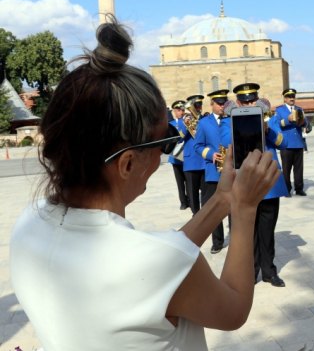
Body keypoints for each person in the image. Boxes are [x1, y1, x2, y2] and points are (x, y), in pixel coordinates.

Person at [9, 18, 280, 350]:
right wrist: (245, 208)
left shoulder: (29, 223)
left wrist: (222, 199)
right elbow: (233, 309)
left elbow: (159, 264)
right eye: (162, 143)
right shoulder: (155, 262)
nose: (163, 156)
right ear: (127, 163)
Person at [234, 83, 289, 288]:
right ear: (238, 103)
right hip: (247, 183)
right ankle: (251, 272)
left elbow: (283, 143)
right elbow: (227, 145)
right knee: (250, 232)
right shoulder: (229, 123)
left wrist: (267, 131)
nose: (250, 103)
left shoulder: (268, 121)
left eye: (253, 100)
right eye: (245, 101)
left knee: (267, 230)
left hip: (269, 185)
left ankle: (269, 271)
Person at [194, 89, 232, 254]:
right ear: (212, 104)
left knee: (233, 205)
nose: (222, 106)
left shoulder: (232, 119)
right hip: (213, 171)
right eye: (219, 103)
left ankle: (236, 236)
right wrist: (210, 154)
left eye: (224, 102)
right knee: (215, 206)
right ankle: (217, 241)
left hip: (231, 170)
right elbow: (197, 146)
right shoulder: (204, 123)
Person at [273, 88, 308, 196]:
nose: (292, 98)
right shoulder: (279, 110)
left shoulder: (299, 109)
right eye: (289, 97)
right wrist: (288, 119)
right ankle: (287, 189)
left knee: (299, 169)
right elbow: (277, 124)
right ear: (285, 99)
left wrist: (303, 122)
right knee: (286, 169)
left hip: (298, 142)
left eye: (293, 96)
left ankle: (299, 188)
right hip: (286, 144)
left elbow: (305, 123)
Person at [183, 94, 206, 216]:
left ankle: (205, 213)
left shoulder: (206, 119)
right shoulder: (185, 120)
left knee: (206, 191)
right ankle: (195, 214)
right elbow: (180, 137)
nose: (198, 107)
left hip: (204, 160)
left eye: (199, 105)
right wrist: (186, 125)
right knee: (192, 192)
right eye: (196, 105)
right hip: (192, 161)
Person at [168, 100, 189, 210]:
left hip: (186, 155)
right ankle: (183, 201)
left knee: (188, 179)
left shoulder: (186, 122)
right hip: (175, 156)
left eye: (182, 110)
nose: (181, 112)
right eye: (178, 110)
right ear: (174, 111)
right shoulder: (170, 124)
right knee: (180, 181)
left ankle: (190, 198)